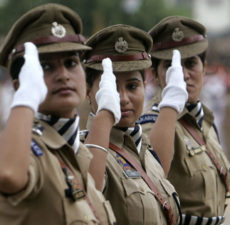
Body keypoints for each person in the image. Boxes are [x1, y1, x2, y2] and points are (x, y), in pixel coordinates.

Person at [0, 4, 116, 225]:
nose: (64, 75)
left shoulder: (77, 151)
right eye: (46, 67)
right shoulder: (29, 150)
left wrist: (106, 114)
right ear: (23, 83)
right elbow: (7, 174)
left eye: (71, 63)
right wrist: (26, 98)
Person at [80, 24, 188, 225]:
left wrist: (171, 106)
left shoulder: (145, 152)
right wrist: (104, 115)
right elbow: (88, 201)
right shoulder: (85, 151)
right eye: (111, 88)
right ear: (88, 91)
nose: (122, 98)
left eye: (132, 86)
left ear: (145, 87)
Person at [139, 16, 230, 225]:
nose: (183, 75)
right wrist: (171, 104)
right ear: (155, 75)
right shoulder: (154, 123)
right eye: (170, 67)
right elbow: (152, 180)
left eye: (191, 63)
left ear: (205, 68)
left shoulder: (204, 119)